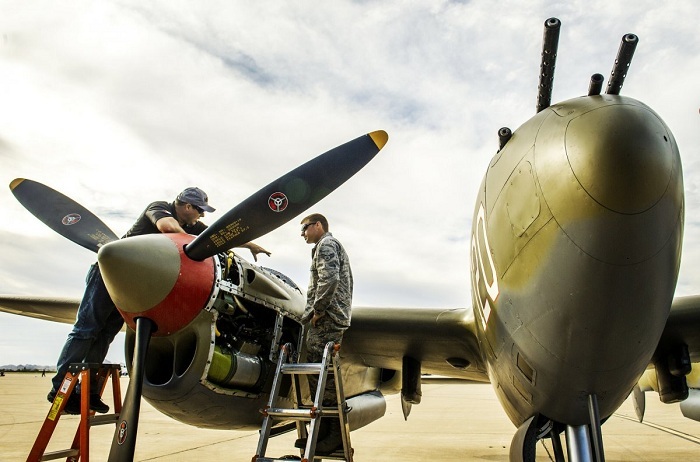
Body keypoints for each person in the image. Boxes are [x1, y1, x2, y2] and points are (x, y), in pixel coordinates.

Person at [48, 187, 270, 414]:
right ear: (186, 206)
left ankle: (86, 392)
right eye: (199, 211)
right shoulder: (159, 208)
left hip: (133, 286)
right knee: (86, 330)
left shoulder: (191, 226)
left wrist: (249, 244)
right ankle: (59, 387)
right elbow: (166, 227)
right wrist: (192, 240)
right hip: (111, 276)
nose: (201, 216)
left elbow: (217, 234)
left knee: (105, 334)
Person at [299, 213, 353, 454]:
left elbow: (329, 280)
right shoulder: (326, 246)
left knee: (324, 376)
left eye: (305, 228)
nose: (303, 234)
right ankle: (321, 431)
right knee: (319, 374)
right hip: (330, 316)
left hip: (327, 318)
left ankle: (334, 436)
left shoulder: (327, 245)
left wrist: (318, 311)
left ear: (318, 225)